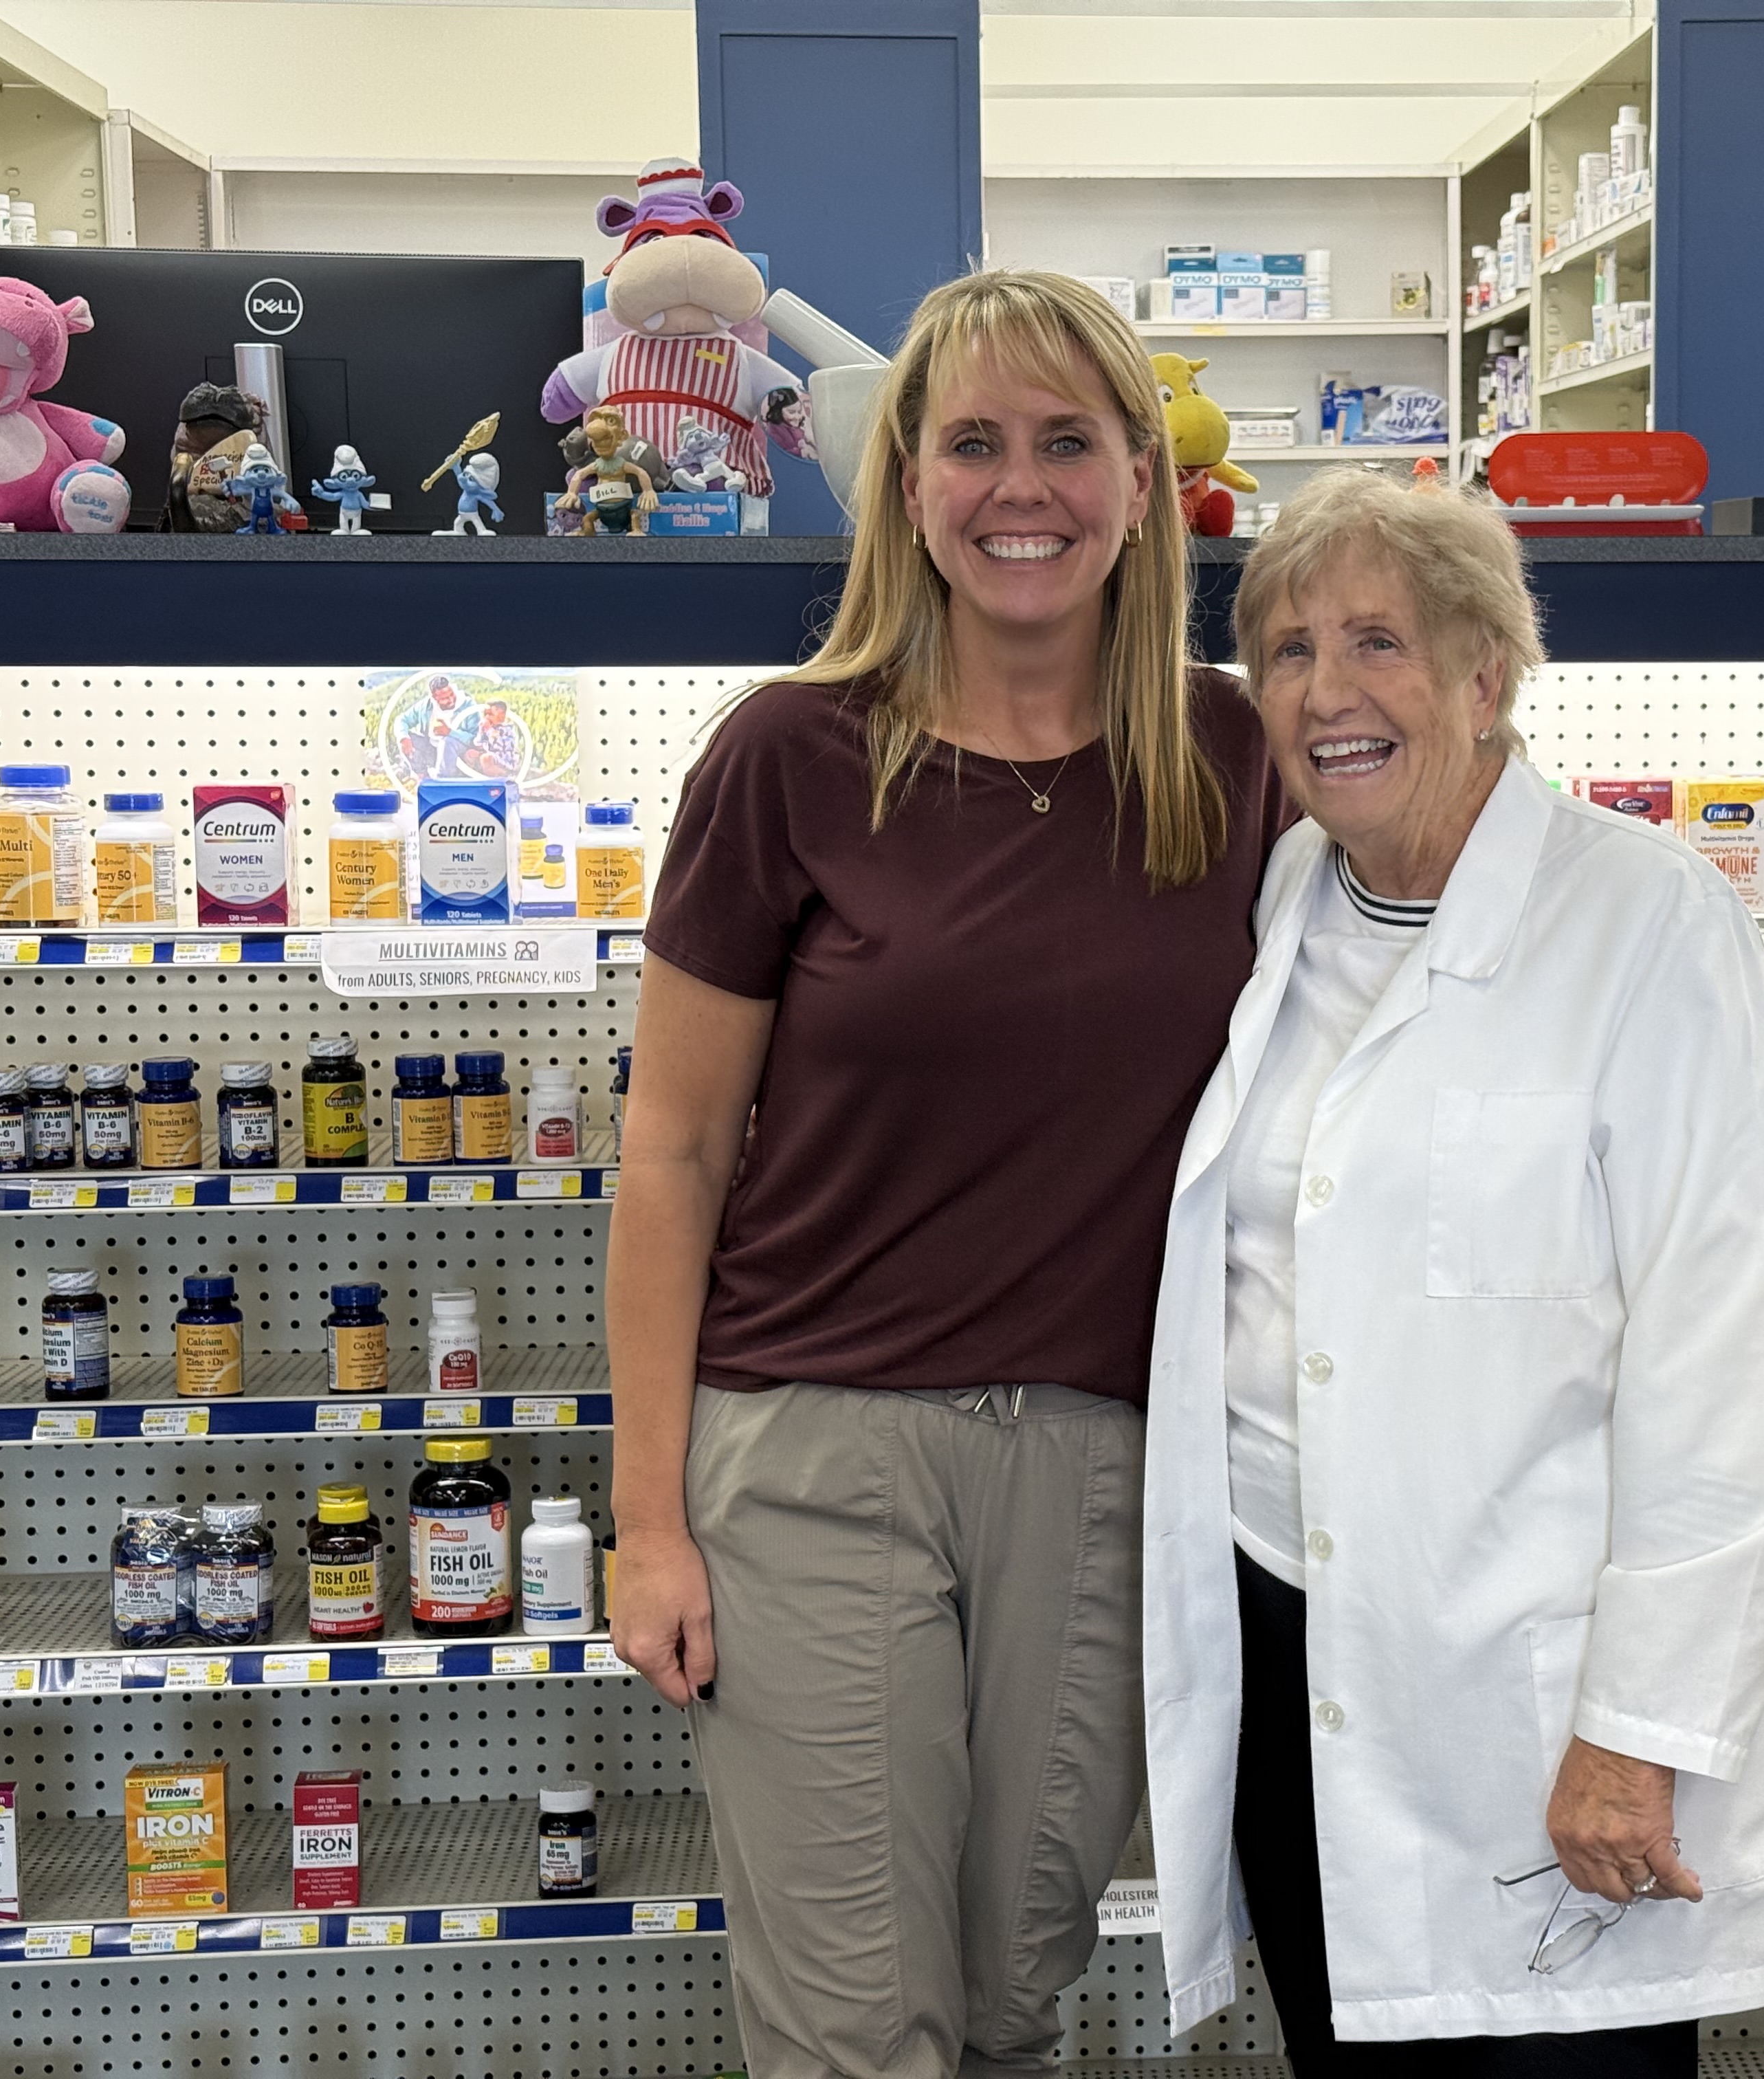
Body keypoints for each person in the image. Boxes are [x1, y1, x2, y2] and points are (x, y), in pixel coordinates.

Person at [609, 269, 1286, 2079]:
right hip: (815, 1458)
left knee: (1007, 2010)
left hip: (1109, 1471)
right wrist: (652, 1521)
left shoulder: (1236, 762)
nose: (1023, 487)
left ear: (1144, 481)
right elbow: (671, 1153)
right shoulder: (791, 756)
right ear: (905, 484)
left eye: (1071, 442)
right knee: (856, 2033)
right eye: (973, 442)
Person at [1142, 469, 1764, 2074]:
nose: (1330, 694)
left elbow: (1724, 1365)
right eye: (1292, 651)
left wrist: (1639, 1735)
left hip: (1534, 1699)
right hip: (1288, 1656)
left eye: (1381, 641)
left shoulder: (1647, 922)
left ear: (1486, 675)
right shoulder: (1283, 903)